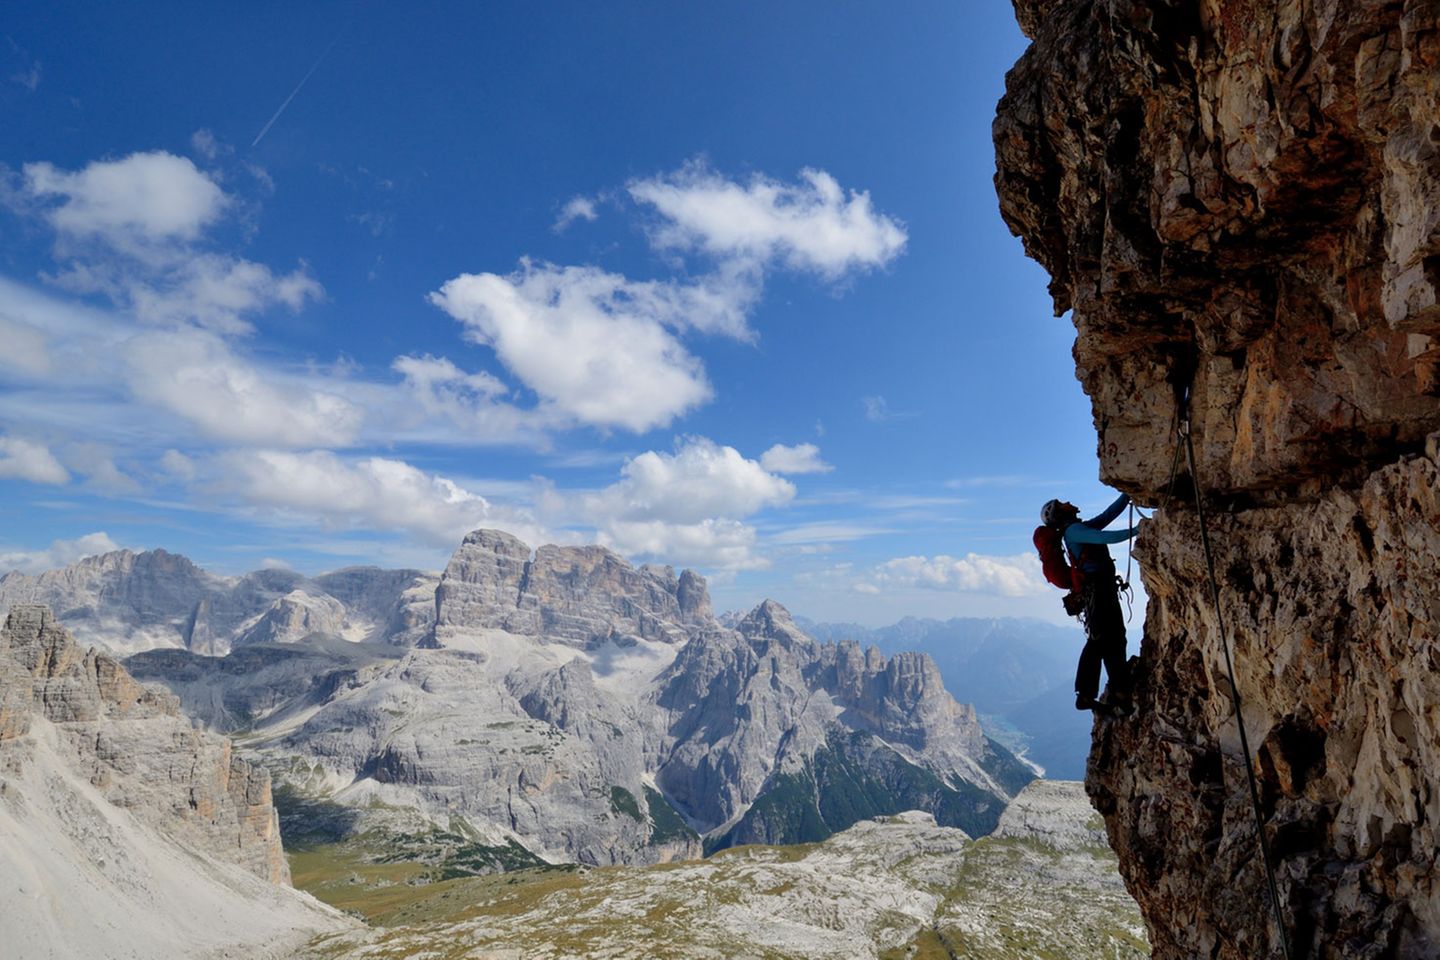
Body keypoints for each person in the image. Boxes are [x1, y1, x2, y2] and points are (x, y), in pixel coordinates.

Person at [1039, 492, 1138, 715]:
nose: (1068, 503)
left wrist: (1126, 496)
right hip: (1099, 591)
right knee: (1102, 640)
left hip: (1101, 589)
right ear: (1059, 513)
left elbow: (1106, 516)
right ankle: (1085, 695)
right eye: (1061, 504)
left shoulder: (1076, 528)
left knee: (1114, 637)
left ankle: (1120, 688)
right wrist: (1139, 530)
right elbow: (1107, 538)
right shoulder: (1074, 532)